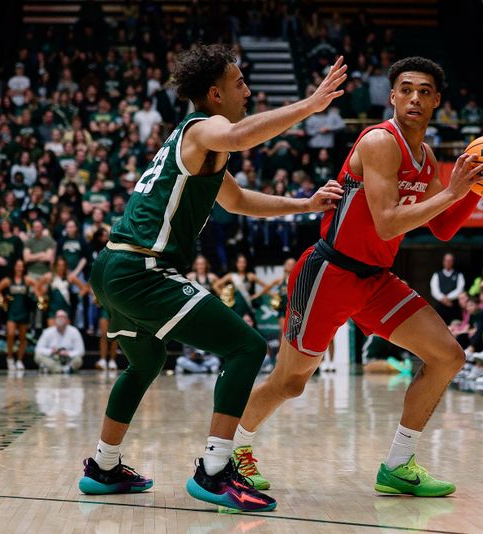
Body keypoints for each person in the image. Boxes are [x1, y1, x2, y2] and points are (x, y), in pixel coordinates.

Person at [78, 45, 347, 513]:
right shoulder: (207, 128)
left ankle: (103, 466)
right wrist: (310, 104)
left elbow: (238, 201)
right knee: (246, 346)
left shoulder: (199, 143)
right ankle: (216, 469)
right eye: (239, 83)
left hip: (113, 266)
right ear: (214, 93)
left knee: (144, 363)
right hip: (142, 269)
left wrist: (303, 205)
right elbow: (242, 135)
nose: (247, 89)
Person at [231, 57, 483, 498]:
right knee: (290, 383)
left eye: (425, 91)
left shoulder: (425, 156)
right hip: (330, 271)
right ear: (392, 96)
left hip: (375, 279)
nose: (414, 98)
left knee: (448, 356)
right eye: (406, 89)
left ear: (437, 102)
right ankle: (233, 451)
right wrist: (451, 192)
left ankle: (398, 464)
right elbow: (388, 223)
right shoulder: (379, 142)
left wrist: (477, 188)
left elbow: (442, 227)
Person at [0, 259, 39, 371]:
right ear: (14, 267)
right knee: (10, 334)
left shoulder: (27, 280)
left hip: (24, 311)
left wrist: (37, 295)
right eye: (17, 266)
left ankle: (19, 360)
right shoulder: (8, 280)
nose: (19, 268)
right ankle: (9, 357)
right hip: (12, 312)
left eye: (21, 266)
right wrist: (2, 299)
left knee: (23, 337)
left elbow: (38, 286)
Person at [38, 256, 87, 327]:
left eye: (63, 265)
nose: (61, 267)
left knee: (66, 336)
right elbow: (37, 287)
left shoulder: (70, 277)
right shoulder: (49, 277)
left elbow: (84, 288)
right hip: (52, 310)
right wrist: (42, 300)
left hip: (66, 310)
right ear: (55, 266)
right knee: (52, 334)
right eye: (59, 265)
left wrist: (77, 298)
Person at [429, 252, 465, 324]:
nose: (448, 262)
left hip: (454, 309)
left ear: (453, 262)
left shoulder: (459, 275)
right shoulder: (436, 275)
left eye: (450, 260)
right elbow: (434, 290)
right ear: (443, 262)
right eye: (446, 260)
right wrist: (443, 299)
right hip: (439, 309)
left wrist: (448, 298)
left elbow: (460, 289)